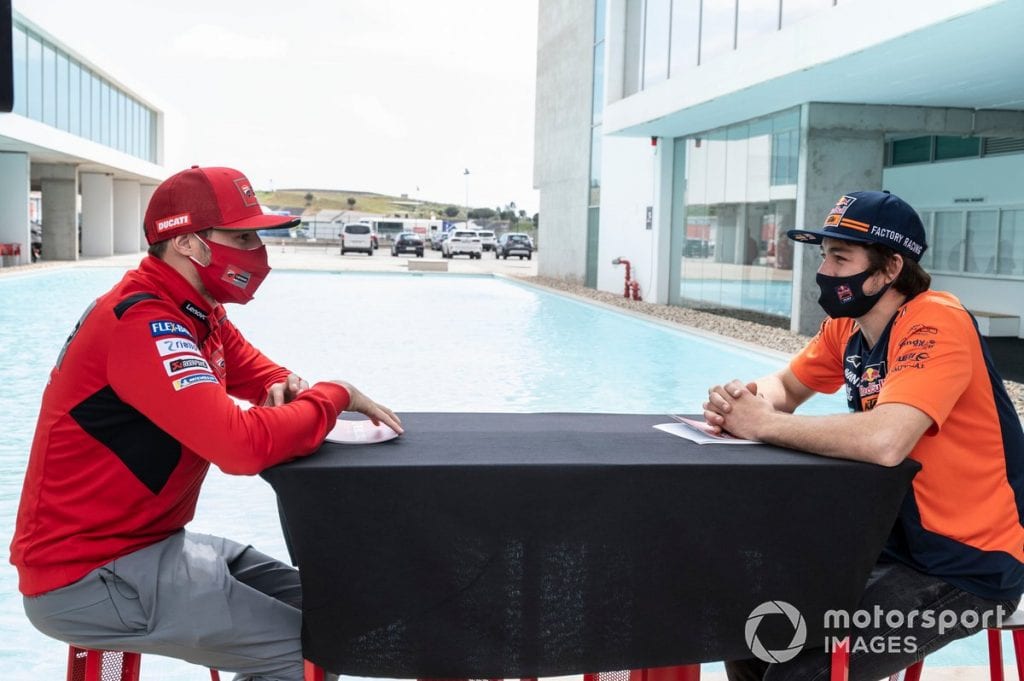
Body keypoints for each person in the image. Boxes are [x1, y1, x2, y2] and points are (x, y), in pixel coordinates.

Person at [10, 165, 403, 681]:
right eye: (241, 236)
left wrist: (288, 386)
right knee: (318, 649)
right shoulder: (145, 324)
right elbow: (239, 448)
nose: (256, 250)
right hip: (87, 575)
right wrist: (337, 394)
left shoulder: (197, 313)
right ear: (190, 244)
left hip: (148, 546)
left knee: (336, 613)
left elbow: (262, 374)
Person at [704, 191, 1024, 681]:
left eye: (840, 257)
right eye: (824, 256)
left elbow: (886, 440)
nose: (825, 271)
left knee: (804, 673)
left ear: (890, 267)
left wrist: (763, 424)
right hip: (893, 548)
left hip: (971, 567)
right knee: (751, 630)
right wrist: (744, 400)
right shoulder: (848, 328)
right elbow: (787, 387)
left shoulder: (936, 320)